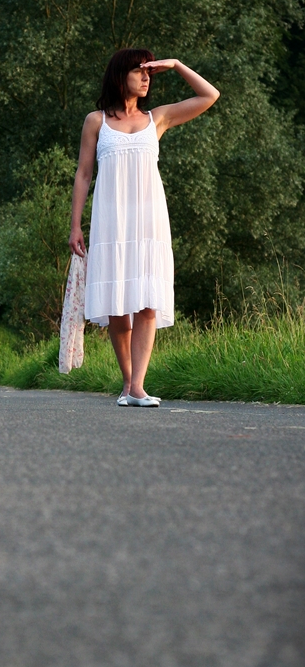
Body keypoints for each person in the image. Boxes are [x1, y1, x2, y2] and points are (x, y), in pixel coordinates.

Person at [68, 51, 219, 407]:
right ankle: (127, 384)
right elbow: (83, 174)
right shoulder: (96, 121)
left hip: (150, 223)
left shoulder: (158, 119)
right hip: (111, 222)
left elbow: (209, 96)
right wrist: (75, 225)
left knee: (147, 303)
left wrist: (176, 65)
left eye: (148, 72)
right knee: (119, 306)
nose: (146, 78)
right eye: (138, 71)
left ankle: (138, 387)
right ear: (120, 76)